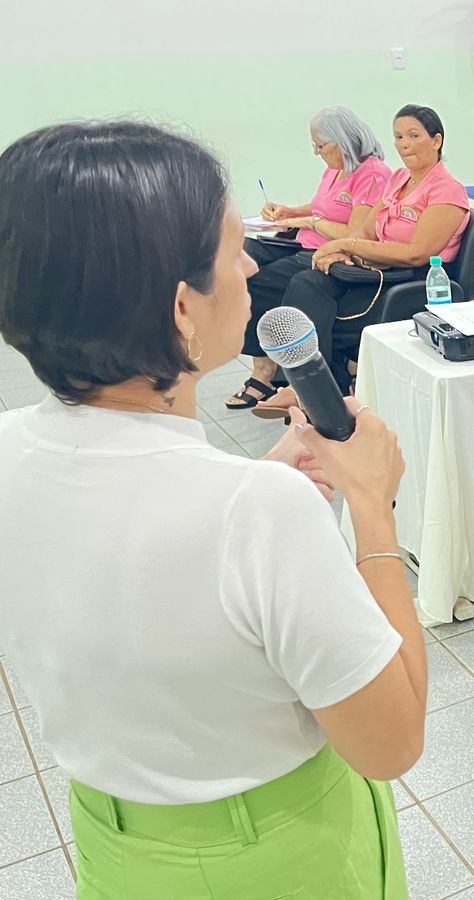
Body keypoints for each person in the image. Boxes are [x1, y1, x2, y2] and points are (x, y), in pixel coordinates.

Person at [0, 121, 424, 899]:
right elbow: (390, 743)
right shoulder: (255, 514)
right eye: (233, 252)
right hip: (278, 849)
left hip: (112, 837)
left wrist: (257, 478)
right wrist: (372, 503)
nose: (255, 263)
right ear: (182, 310)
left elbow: (120, 547)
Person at [277, 104, 469, 392]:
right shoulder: (398, 179)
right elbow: (366, 228)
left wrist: (345, 244)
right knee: (307, 281)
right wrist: (344, 252)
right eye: (398, 136)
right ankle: (310, 388)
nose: (404, 144)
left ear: (437, 140)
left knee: (325, 317)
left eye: (414, 136)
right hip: (377, 268)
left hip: (410, 278)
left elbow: (417, 253)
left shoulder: (447, 190)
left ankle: (316, 391)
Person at [230, 106, 390, 410]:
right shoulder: (334, 169)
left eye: (321, 146)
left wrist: (310, 222)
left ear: (342, 141)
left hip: (326, 251)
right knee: (242, 256)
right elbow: (322, 206)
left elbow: (354, 234)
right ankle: (272, 366)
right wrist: (291, 213)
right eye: (314, 145)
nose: (317, 152)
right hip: (303, 242)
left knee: (259, 283)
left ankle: (268, 373)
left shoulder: (373, 175)